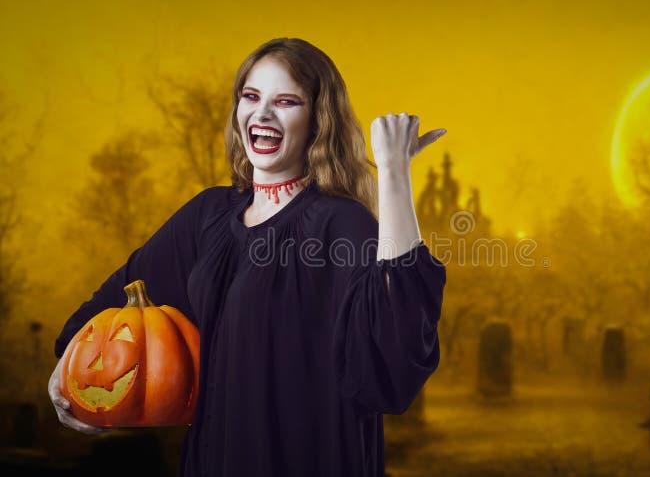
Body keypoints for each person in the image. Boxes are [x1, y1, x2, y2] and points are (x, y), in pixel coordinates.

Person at [48, 37, 447, 476]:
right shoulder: (207, 217)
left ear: (318, 120)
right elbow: (112, 304)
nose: (262, 113)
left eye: (286, 101)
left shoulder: (340, 223)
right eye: (251, 96)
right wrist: (69, 372)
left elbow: (395, 348)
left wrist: (393, 174)